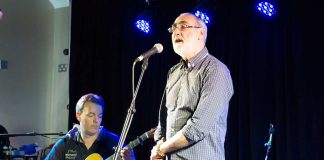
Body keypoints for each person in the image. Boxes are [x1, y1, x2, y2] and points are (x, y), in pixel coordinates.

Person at [150, 13, 234, 160]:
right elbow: (163, 119)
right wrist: (159, 143)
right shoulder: (173, 72)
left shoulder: (216, 70)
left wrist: (162, 149)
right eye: (174, 28)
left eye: (183, 26)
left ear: (200, 34)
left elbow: (199, 126)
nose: (176, 31)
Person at [45, 93, 135, 160]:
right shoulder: (65, 143)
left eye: (99, 116)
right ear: (78, 116)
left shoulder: (115, 142)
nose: (96, 120)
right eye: (91, 115)